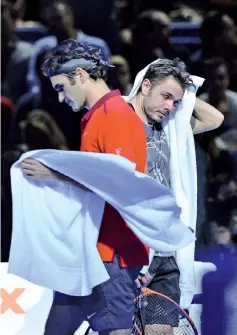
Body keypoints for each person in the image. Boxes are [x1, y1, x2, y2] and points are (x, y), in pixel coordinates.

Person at [21, 38, 149, 335]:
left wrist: (56, 175)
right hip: (90, 253)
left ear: (79, 75)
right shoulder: (96, 118)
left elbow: (120, 183)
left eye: (61, 87)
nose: (61, 98)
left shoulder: (114, 114)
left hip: (112, 254)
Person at [127, 58, 224, 334]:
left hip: (165, 250)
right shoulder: (119, 118)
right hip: (132, 246)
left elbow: (214, 119)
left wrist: (185, 87)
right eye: (165, 96)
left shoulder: (171, 126)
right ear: (145, 85)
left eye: (176, 102)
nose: (170, 106)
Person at [27, 0, 111, 94]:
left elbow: (106, 79)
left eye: (58, 19)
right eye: (51, 21)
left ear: (70, 16)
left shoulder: (96, 45)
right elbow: (34, 82)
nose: (55, 24)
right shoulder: (42, 47)